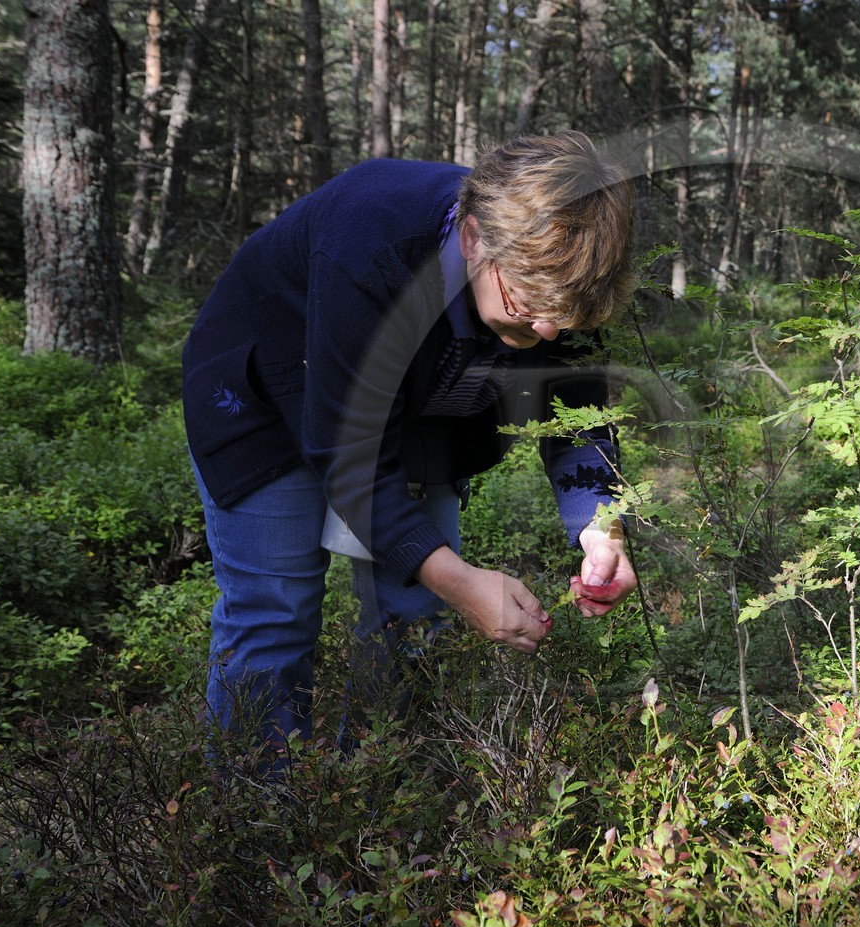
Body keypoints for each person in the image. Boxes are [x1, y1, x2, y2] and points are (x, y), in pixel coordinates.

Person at [183, 131, 637, 765]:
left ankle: (378, 805)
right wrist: (461, 580)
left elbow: (579, 415)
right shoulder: (372, 239)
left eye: (566, 316)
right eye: (527, 305)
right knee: (275, 612)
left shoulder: (560, 270)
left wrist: (600, 531)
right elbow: (350, 453)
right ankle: (252, 820)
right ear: (474, 238)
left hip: (421, 408)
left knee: (413, 616)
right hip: (265, 396)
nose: (547, 330)